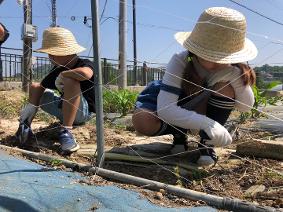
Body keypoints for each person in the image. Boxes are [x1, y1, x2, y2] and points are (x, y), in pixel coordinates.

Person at [132, 7, 257, 166]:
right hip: (168, 103)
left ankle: (207, 143)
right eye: (208, 55)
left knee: (225, 87)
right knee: (142, 121)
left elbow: (246, 106)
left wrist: (233, 75)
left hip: (200, 105)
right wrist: (208, 124)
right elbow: (166, 108)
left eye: (222, 56)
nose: (215, 62)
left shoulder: (234, 70)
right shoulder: (180, 61)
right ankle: (179, 134)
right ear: (195, 49)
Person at [16, 27, 95, 154]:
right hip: (64, 109)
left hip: (84, 112)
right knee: (36, 87)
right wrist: (31, 107)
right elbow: (39, 87)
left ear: (67, 52)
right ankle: (25, 125)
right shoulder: (57, 69)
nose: (50, 57)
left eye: (53, 53)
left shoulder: (84, 63)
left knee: (70, 80)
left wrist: (65, 75)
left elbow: (86, 74)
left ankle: (67, 132)